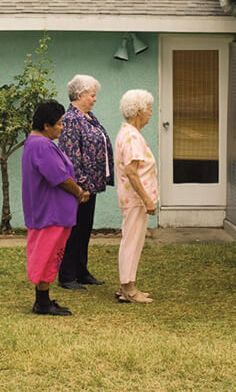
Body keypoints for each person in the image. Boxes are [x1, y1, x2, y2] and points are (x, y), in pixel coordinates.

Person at [21, 100, 90, 316]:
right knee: (47, 255)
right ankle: (42, 303)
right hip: (50, 213)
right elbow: (59, 177)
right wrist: (78, 192)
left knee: (50, 255)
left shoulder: (36, 143)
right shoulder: (41, 145)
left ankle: (44, 299)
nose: (62, 128)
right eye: (59, 124)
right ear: (46, 125)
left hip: (51, 211)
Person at [57, 74, 114, 290]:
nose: (95, 99)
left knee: (84, 228)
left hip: (92, 185)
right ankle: (67, 275)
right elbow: (71, 155)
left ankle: (81, 271)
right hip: (81, 187)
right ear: (79, 95)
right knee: (75, 229)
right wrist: (81, 186)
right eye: (92, 95)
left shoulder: (88, 116)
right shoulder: (72, 119)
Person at [114, 89, 159, 304]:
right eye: (149, 108)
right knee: (132, 240)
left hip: (132, 199)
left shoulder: (129, 132)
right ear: (139, 111)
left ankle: (127, 285)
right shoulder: (131, 136)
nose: (151, 112)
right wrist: (147, 199)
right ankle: (128, 289)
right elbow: (132, 171)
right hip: (135, 199)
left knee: (132, 239)